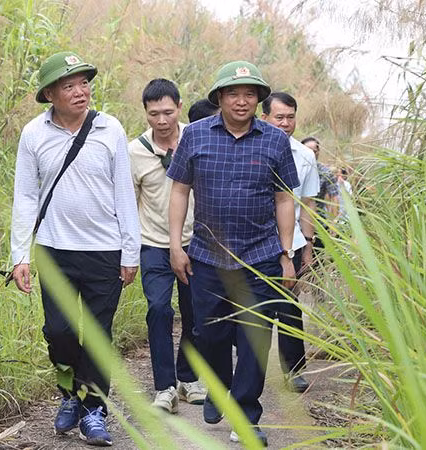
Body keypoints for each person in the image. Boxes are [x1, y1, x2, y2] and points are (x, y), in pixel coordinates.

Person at [10, 51, 140, 447]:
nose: (81, 91)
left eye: (84, 83)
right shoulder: (33, 134)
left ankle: (93, 410)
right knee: (59, 331)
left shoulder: (110, 128)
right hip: (53, 249)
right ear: (50, 94)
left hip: (105, 250)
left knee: (99, 334)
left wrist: (130, 252)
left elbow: (124, 193)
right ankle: (70, 394)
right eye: (69, 85)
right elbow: (25, 196)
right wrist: (20, 254)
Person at [167, 60, 299, 446]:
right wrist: (177, 246)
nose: (241, 101)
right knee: (209, 334)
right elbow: (179, 190)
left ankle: (246, 413)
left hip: (260, 256)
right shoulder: (195, 135)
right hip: (207, 256)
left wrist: (286, 253)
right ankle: (218, 386)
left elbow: (283, 198)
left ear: (259, 100)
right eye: (233, 94)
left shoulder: (275, 140)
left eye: (249, 94)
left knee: (256, 338)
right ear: (219, 98)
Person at [128, 78, 206, 414]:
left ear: (179, 106)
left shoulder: (198, 138)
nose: (162, 120)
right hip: (153, 244)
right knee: (159, 310)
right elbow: (130, 203)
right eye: (154, 113)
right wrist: (128, 250)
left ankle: (188, 378)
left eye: (168, 112)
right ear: (145, 113)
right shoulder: (135, 152)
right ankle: (165, 388)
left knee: (196, 314)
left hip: (196, 243)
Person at [261, 92, 320, 393]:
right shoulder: (250, 148)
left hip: (291, 243)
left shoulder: (305, 157)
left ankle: (293, 369)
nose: (285, 123)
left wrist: (307, 249)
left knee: (288, 306)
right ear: (265, 118)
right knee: (252, 307)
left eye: (290, 117)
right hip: (253, 239)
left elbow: (307, 206)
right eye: (278, 117)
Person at [301, 136, 339, 222]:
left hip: (317, 221)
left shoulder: (326, 172)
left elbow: (334, 197)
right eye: (307, 151)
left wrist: (333, 222)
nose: (311, 154)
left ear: (318, 152)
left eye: (314, 151)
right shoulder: (292, 169)